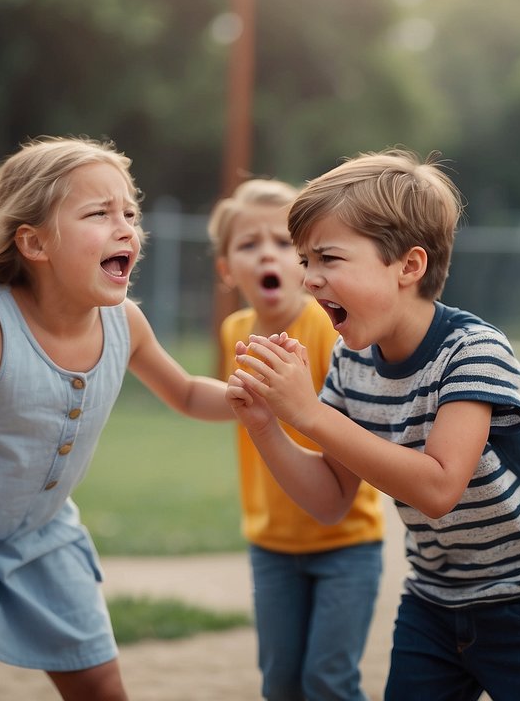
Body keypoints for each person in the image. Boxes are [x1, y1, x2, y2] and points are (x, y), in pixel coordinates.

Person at [0, 137, 236, 701]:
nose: (126, 227)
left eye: (129, 212)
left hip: (42, 535)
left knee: (101, 686)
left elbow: (184, 392)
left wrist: (264, 397)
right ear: (34, 243)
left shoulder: (125, 324)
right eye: (98, 213)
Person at [225, 150, 520, 701]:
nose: (308, 279)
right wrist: (266, 426)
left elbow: (439, 487)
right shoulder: (352, 365)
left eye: (327, 257)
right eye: (305, 261)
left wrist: (308, 413)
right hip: (433, 601)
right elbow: (330, 501)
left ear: (409, 266)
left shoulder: (474, 351)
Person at [208, 178, 386, 701]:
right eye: (248, 244)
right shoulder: (234, 331)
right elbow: (235, 408)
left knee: (328, 682)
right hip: (272, 544)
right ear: (226, 269)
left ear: (306, 260)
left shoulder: (331, 331)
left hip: (346, 545)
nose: (268, 254)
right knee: (281, 683)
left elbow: (346, 435)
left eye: (284, 243)